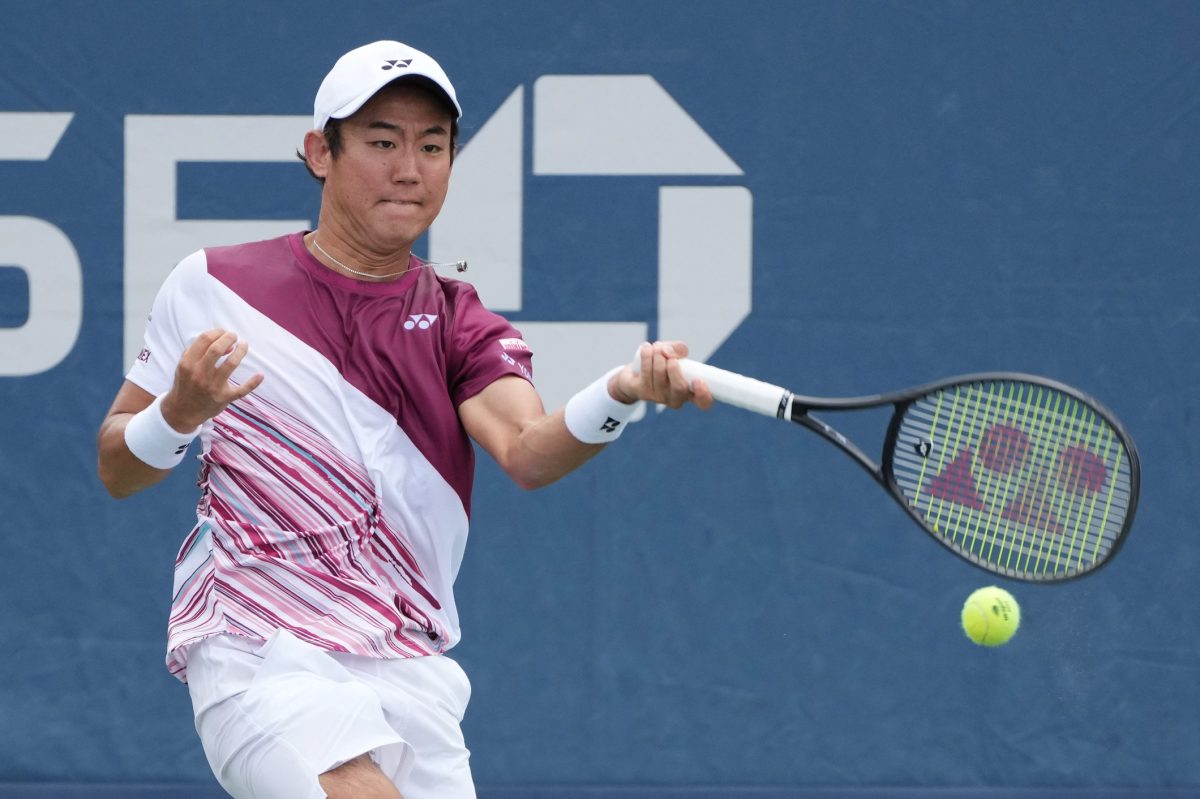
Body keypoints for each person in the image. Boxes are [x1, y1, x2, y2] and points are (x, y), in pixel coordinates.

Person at [96, 40, 711, 799]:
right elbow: (117, 465)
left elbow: (527, 451)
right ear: (321, 151)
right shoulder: (214, 285)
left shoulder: (461, 321)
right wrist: (178, 413)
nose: (409, 168)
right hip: (257, 643)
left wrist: (621, 391)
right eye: (383, 142)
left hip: (405, 661)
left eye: (432, 145)